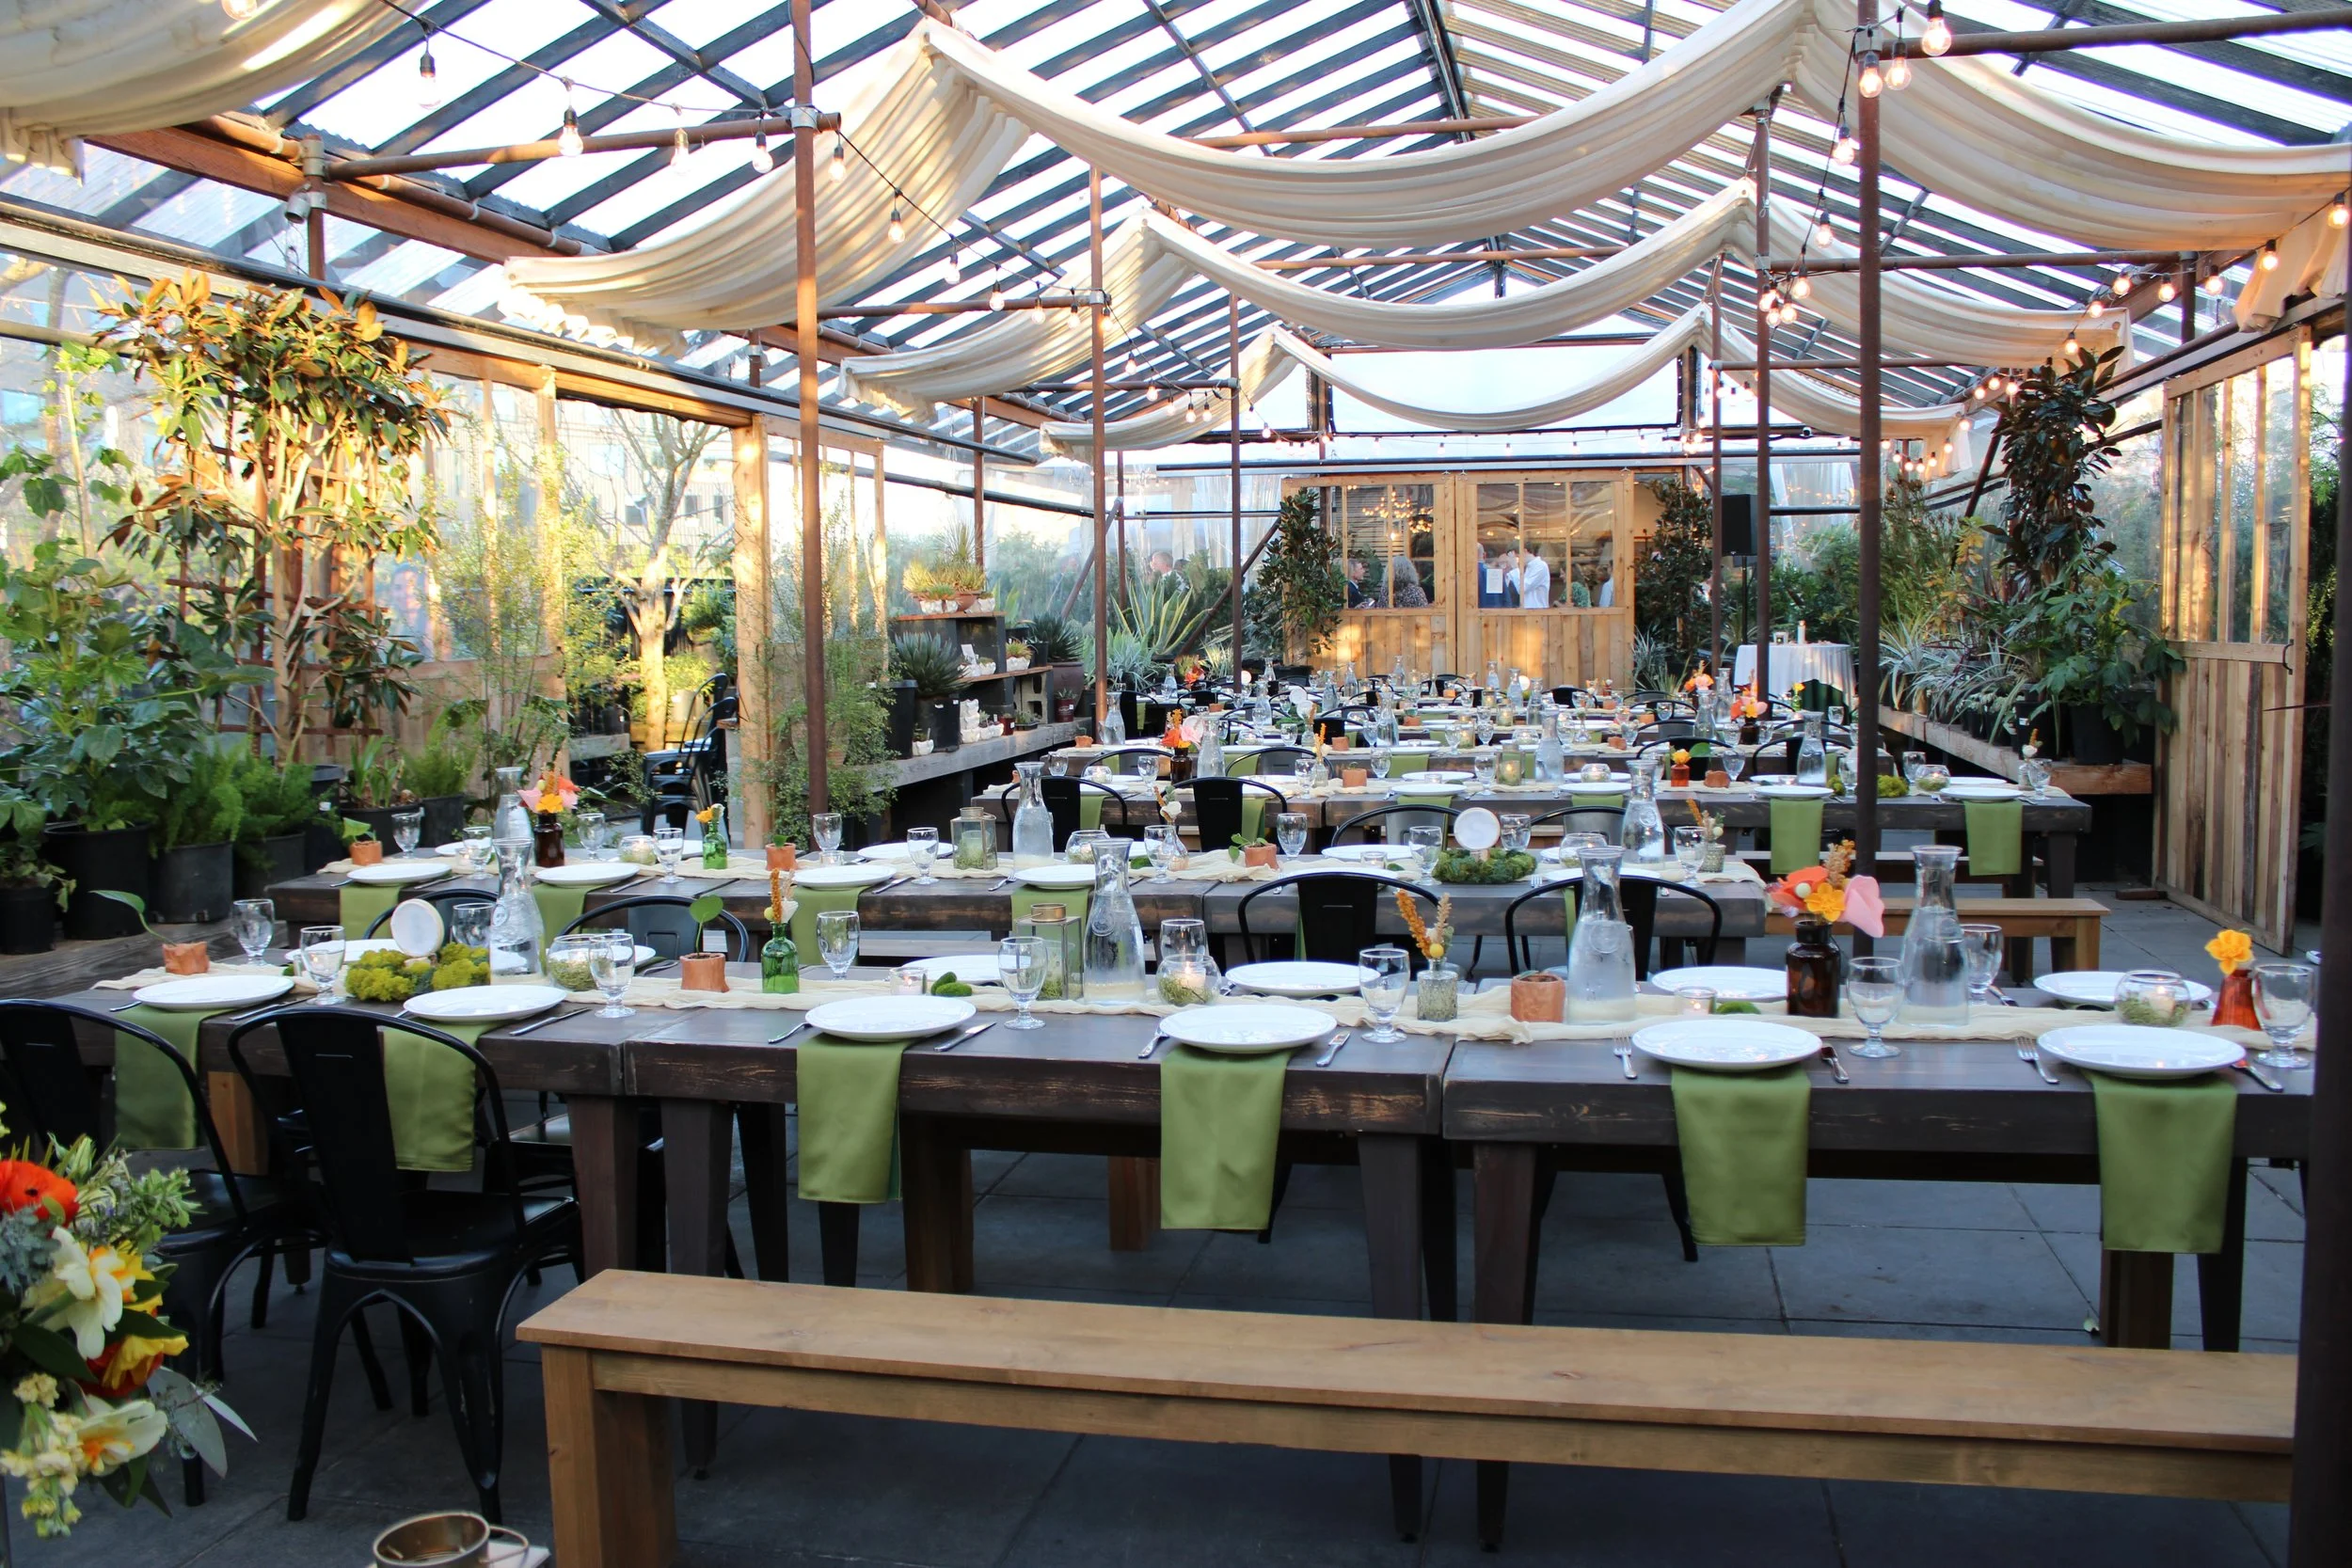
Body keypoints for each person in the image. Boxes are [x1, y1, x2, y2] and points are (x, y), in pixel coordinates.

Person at [1513, 544, 1552, 610]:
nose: (1518, 561)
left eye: (1517, 557)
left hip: (1537, 612)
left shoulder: (1540, 566)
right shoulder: (1528, 567)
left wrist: (1515, 568)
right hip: (1527, 611)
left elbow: (1522, 588)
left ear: (1524, 551)